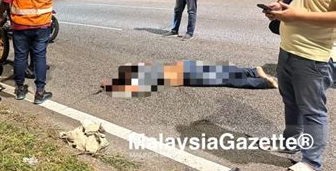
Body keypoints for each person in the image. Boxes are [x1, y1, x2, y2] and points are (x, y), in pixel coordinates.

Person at [263, 0, 336, 171]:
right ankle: (291, 141)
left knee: (313, 110)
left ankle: (312, 160)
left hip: (314, 55)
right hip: (288, 48)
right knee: (290, 102)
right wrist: (279, 7)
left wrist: (295, 15)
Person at [101, 61, 278, 98]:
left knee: (224, 76)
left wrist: (111, 87)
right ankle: (254, 73)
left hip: (186, 73)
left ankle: (260, 79)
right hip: (185, 70)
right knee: (223, 72)